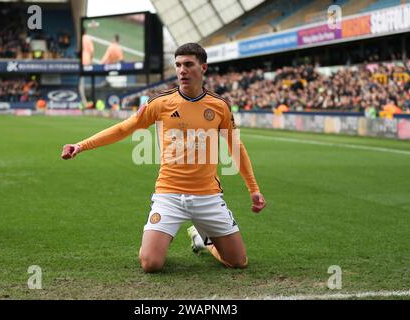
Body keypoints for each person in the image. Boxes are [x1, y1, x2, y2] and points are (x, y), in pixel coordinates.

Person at [61, 43, 266, 273]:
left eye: (188, 64)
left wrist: (254, 189)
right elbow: (123, 129)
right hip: (169, 195)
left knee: (238, 261)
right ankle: (161, 239)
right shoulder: (160, 103)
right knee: (150, 264)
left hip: (208, 196)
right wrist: (80, 145)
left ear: (203, 67)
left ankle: (202, 239)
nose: (182, 70)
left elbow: (236, 147)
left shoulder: (220, 106)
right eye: (178, 65)